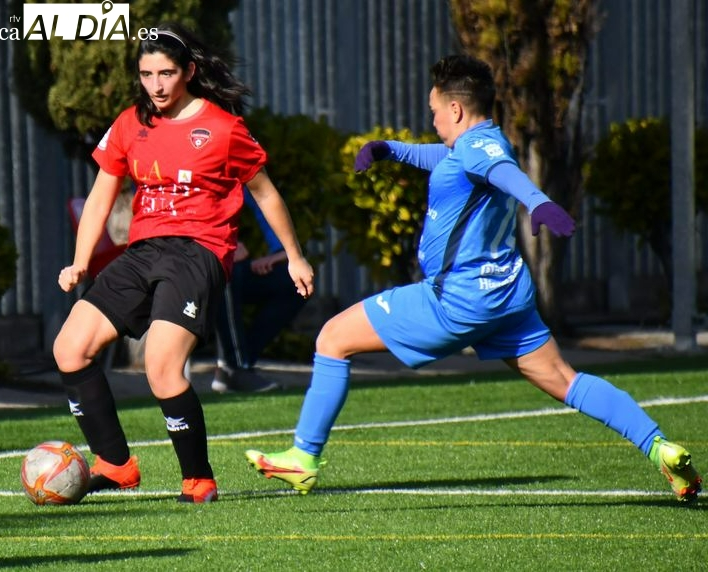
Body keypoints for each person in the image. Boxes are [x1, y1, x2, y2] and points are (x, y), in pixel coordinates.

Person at [244, 54, 701, 503]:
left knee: (331, 337)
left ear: (456, 109)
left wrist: (539, 202)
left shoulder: (483, 152)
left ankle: (303, 458)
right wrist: (391, 151)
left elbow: (505, 175)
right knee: (567, 380)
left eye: (435, 111)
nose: (434, 120)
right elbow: (449, 160)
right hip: (507, 298)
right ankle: (659, 446)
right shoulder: (476, 143)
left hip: (457, 300)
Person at [53, 23, 313, 504]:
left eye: (166, 73)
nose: (155, 85)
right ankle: (115, 463)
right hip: (144, 251)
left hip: (198, 253)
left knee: (162, 367)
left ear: (189, 72)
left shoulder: (223, 128)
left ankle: (198, 479)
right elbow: (100, 197)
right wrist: (79, 262)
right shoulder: (131, 123)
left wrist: (294, 257)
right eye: (147, 73)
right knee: (70, 347)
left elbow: (266, 194)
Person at [212, 187, 309, 393]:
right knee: (226, 270)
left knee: (293, 283)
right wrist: (220, 244)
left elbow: (262, 197)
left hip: (221, 258)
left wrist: (283, 251)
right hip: (185, 266)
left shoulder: (236, 163)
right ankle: (236, 368)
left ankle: (236, 365)